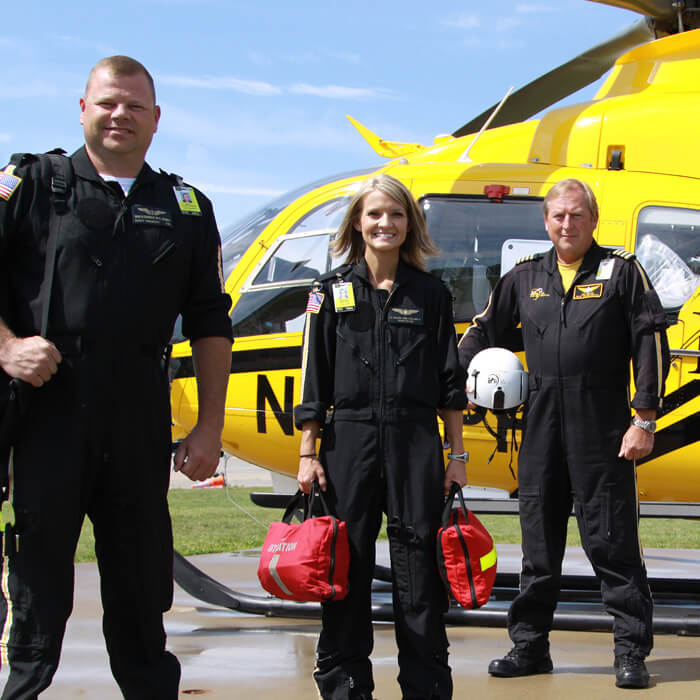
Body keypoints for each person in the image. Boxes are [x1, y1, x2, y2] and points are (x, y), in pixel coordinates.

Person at [0, 56, 233, 698]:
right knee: (38, 593)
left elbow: (212, 322)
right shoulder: (32, 184)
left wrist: (208, 428)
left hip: (136, 420)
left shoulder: (185, 206)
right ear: (82, 109)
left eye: (133, 105)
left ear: (156, 119)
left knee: (138, 590)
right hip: (48, 415)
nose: (119, 114)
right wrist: (8, 345)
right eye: (106, 102)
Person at [458, 178, 670, 689]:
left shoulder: (621, 272)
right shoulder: (524, 277)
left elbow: (650, 338)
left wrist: (644, 419)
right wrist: (459, 381)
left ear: (593, 220)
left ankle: (630, 653)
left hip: (603, 428)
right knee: (538, 547)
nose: (567, 224)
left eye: (576, 215)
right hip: (540, 426)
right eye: (558, 216)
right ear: (546, 222)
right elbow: (483, 330)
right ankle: (529, 647)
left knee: (613, 544)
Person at [294, 173, 467, 700]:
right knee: (344, 566)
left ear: (409, 224)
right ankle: (346, 688)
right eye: (374, 214)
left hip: (415, 444)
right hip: (348, 442)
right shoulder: (328, 292)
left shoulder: (432, 293)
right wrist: (308, 452)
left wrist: (456, 455)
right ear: (357, 223)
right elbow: (313, 379)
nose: (384, 224)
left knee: (420, 572)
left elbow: (449, 383)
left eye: (395, 214)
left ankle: (426, 688)